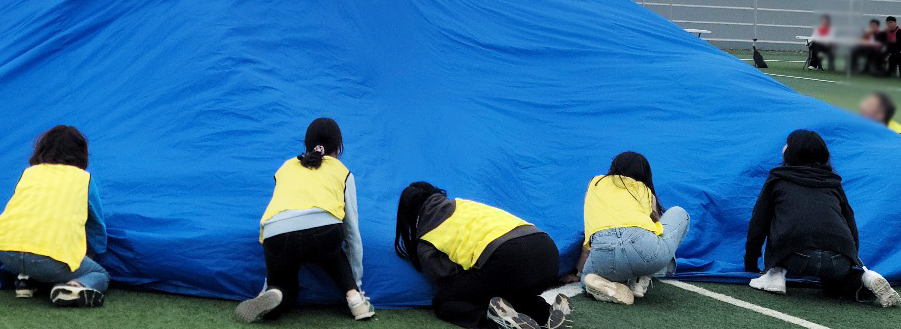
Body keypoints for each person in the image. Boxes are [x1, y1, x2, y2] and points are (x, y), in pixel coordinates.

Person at [236, 118, 374, 323]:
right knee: (333, 253)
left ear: (306, 143)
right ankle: (355, 299)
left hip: (277, 232)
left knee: (285, 287)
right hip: (323, 231)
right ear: (339, 147)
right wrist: (357, 283)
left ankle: (272, 293)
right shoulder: (343, 172)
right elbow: (351, 233)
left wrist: (268, 282)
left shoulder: (285, 168)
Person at [745, 129, 899, 306]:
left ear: (793, 152)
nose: (784, 147)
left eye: (787, 144)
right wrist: (852, 260)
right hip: (839, 259)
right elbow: (850, 223)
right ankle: (862, 279)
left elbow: (758, 223)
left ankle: (775, 274)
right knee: (832, 283)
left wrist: (751, 262)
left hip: (796, 257)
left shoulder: (778, 179)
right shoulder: (833, 183)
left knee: (782, 222)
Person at [394, 182, 569, 329]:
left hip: (509, 258)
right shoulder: (463, 204)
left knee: (446, 300)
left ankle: (496, 324)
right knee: (507, 290)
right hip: (547, 249)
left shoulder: (427, 236)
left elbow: (445, 275)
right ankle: (546, 313)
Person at [0, 125, 111, 308]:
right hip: (49, 260)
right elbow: (95, 223)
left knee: (31, 248)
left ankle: (25, 278)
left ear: (42, 148)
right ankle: (72, 288)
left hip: (5, 252)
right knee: (99, 274)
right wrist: (97, 251)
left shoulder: (29, 173)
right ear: (81, 153)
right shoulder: (83, 179)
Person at [577, 152, 689, 305]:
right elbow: (657, 226)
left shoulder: (595, 184)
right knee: (679, 213)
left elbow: (589, 232)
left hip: (603, 253)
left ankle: (604, 284)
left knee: (587, 279)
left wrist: (580, 272)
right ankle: (642, 278)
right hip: (643, 249)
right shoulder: (644, 190)